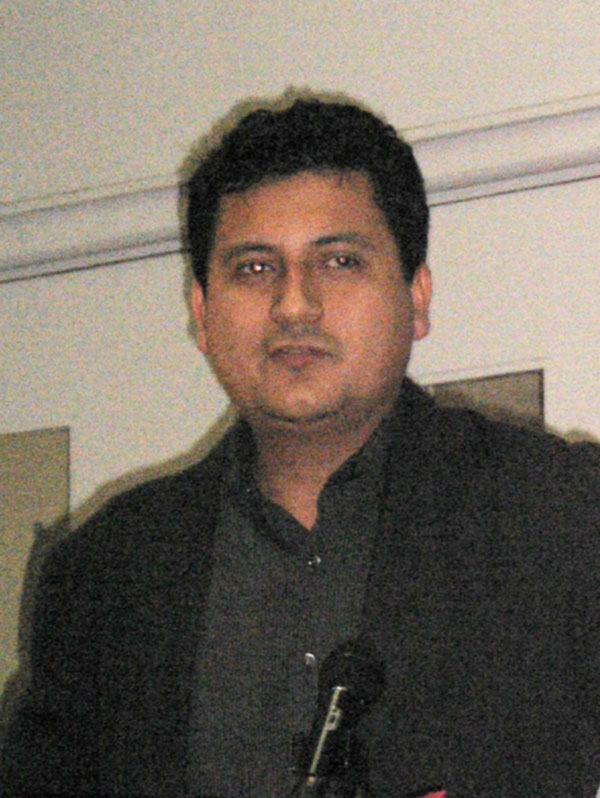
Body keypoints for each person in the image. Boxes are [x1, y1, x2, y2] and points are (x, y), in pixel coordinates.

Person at [2, 95, 599, 798]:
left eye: (339, 261)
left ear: (417, 297)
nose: (294, 305)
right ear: (201, 313)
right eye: (254, 269)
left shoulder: (561, 519)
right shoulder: (109, 572)